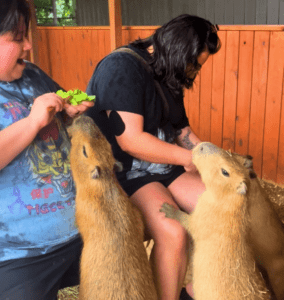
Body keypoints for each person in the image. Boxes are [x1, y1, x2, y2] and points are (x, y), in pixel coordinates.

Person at [85, 14, 221, 300]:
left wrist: (213, 159)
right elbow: (131, 141)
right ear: (176, 52)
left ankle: (195, 290)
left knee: (223, 205)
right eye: (194, 63)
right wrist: (187, 158)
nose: (195, 72)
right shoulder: (121, 68)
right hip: (124, 170)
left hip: (162, 164)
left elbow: (182, 131)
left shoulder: (168, 73)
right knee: (173, 231)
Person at [0, 0, 94, 299]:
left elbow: (57, 109)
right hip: (14, 254)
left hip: (79, 228)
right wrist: (31, 122)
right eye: (18, 38)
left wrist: (69, 111)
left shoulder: (31, 74)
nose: (29, 46)